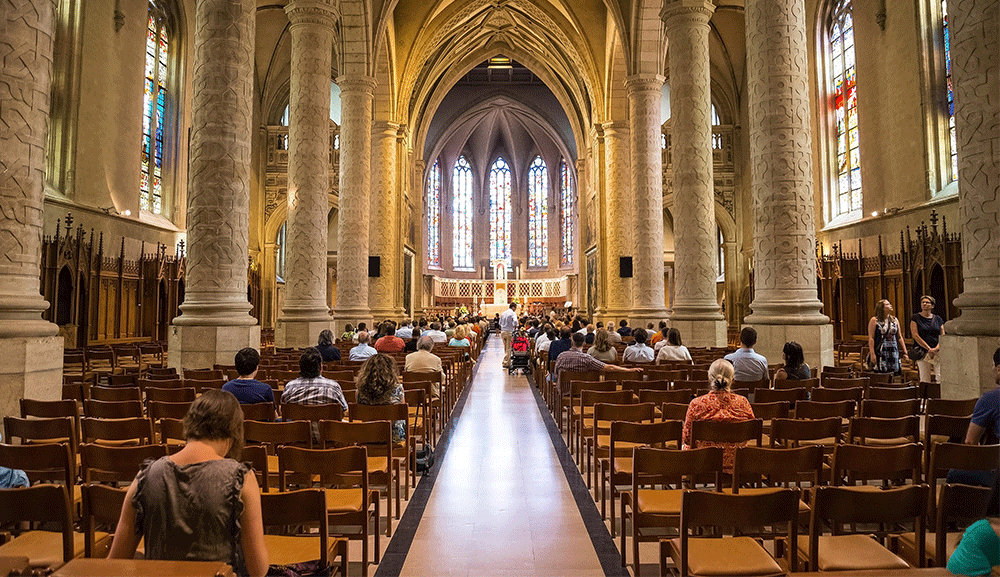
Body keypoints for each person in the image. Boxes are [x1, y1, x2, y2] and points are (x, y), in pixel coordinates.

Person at [107, 390, 268, 577]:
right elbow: (258, 570)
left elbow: (115, 562)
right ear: (233, 434)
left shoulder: (145, 475)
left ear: (190, 425)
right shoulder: (241, 478)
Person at [682, 359, 756, 473]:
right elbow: (752, 432)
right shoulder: (743, 403)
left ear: (709, 378)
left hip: (703, 463)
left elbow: (687, 439)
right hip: (737, 462)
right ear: (733, 379)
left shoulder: (696, 404)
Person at [553, 333, 640, 390]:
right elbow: (609, 367)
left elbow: (556, 374)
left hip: (563, 390)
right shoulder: (586, 358)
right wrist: (629, 370)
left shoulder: (561, 356)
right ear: (584, 344)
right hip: (582, 392)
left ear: (572, 343)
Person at [356, 354, 406, 443]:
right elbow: (402, 414)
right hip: (393, 437)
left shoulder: (360, 392)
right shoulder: (398, 389)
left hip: (368, 436)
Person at [282, 348, 349, 413]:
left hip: (296, 421)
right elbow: (344, 409)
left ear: (300, 368)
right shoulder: (333, 387)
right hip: (325, 421)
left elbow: (283, 409)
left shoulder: (290, 387)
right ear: (321, 367)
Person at [910, 295, 945, 383]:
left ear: (932, 306)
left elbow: (942, 335)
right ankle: (925, 392)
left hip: (937, 351)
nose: (924, 304)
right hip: (923, 351)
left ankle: (938, 392)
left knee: (940, 377)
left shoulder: (938, 319)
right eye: (923, 302)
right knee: (925, 378)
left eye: (927, 302)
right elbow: (915, 335)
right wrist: (928, 348)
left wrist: (936, 348)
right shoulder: (916, 318)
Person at [868, 299, 907, 374]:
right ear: (882, 308)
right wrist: (872, 353)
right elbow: (871, 338)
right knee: (882, 372)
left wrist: (905, 352)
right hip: (881, 350)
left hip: (893, 350)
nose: (891, 305)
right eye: (887, 304)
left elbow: (899, 337)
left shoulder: (894, 320)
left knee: (894, 373)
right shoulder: (874, 320)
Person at [404, 336, 444, 400]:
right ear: (431, 346)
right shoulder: (436, 359)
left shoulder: (408, 357)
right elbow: (442, 378)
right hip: (431, 393)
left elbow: (406, 373)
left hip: (412, 392)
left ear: (418, 345)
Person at [500, 302, 518, 367]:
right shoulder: (512, 313)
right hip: (509, 332)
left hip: (503, 332)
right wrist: (514, 325)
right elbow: (515, 321)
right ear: (513, 307)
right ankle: (506, 363)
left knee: (505, 347)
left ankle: (507, 361)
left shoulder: (503, 313)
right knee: (509, 348)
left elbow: (500, 322)